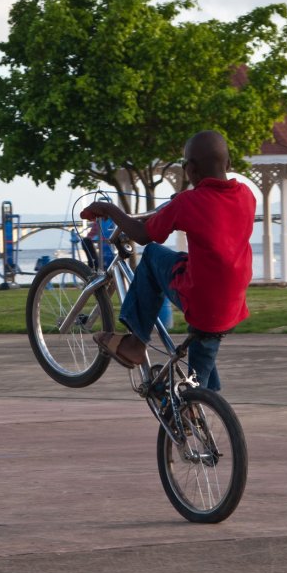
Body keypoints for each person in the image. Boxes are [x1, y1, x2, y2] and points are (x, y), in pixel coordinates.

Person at [80, 130, 255, 390]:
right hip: (232, 301)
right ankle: (201, 408)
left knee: (151, 256)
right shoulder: (246, 196)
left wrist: (109, 210)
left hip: (201, 299)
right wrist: (179, 204)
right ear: (228, 164)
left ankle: (135, 343)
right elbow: (213, 216)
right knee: (203, 378)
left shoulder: (188, 202)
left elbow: (142, 236)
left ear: (189, 169)